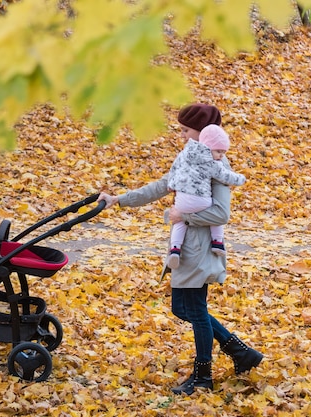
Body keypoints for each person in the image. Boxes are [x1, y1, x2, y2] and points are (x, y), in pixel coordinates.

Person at [97, 103, 263, 395]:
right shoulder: (187, 158)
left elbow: (221, 214)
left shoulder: (218, 166)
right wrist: (119, 199)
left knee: (196, 310)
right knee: (181, 308)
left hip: (200, 249)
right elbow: (163, 185)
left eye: (186, 130)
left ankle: (203, 377)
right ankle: (239, 351)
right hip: (186, 247)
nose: (182, 135)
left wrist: (182, 216)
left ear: (203, 132)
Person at [165, 124, 246, 271]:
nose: (221, 156)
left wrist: (171, 184)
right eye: (219, 151)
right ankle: (217, 242)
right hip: (201, 201)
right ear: (209, 147)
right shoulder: (211, 162)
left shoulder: (185, 153)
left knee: (179, 223)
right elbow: (226, 176)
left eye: (223, 152)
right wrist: (241, 179)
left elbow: (174, 168)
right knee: (215, 213)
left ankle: (175, 249)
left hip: (181, 201)